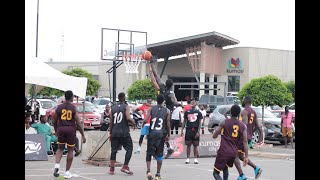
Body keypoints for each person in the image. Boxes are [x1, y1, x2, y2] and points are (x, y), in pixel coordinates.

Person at [52, 90, 86, 179]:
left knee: (60, 149)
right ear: (71, 97)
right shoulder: (73, 108)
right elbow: (78, 123)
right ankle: (67, 172)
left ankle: (57, 165)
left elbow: (54, 121)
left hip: (61, 129)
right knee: (70, 150)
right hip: (70, 130)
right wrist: (83, 135)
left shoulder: (59, 108)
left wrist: (56, 130)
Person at [149, 60, 179, 158]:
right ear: (172, 85)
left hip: (159, 111)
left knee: (157, 131)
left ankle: (160, 150)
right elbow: (175, 102)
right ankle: (168, 147)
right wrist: (179, 104)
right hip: (167, 113)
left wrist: (151, 66)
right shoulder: (171, 93)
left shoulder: (162, 87)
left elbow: (155, 78)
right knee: (164, 132)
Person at [212, 105, 249, 180]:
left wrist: (217, 133)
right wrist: (246, 156)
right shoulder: (242, 126)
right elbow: (245, 141)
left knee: (215, 173)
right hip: (233, 153)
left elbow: (214, 135)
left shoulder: (224, 122)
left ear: (231, 113)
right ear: (239, 114)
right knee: (225, 169)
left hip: (223, 151)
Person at [234, 96, 263, 180]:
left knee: (234, 155)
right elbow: (257, 126)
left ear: (245, 101)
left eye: (242, 99)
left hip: (242, 137)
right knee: (240, 156)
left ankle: (241, 175)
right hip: (248, 136)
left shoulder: (244, 112)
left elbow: (244, 125)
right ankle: (256, 168)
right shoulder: (254, 112)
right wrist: (251, 133)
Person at [143, 94, 171, 180]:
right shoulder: (167, 111)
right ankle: (158, 174)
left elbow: (145, 119)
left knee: (149, 152)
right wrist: (168, 134)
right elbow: (168, 124)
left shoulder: (151, 108)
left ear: (156, 100)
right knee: (159, 154)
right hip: (161, 134)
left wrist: (143, 125)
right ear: (163, 101)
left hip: (152, 133)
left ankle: (148, 171)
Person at [108, 92, 136, 175]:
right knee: (129, 149)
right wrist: (133, 123)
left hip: (115, 132)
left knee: (113, 150)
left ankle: (112, 169)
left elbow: (111, 122)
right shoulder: (126, 106)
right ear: (123, 98)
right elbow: (128, 117)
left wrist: (110, 133)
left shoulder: (113, 108)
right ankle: (125, 166)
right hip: (124, 132)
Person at [180, 100, 203, 164]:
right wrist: (182, 130)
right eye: (192, 102)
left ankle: (195, 158)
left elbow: (199, 123)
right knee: (188, 145)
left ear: (196, 104)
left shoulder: (198, 112)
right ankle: (188, 158)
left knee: (195, 145)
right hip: (188, 129)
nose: (193, 103)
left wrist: (198, 131)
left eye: (194, 102)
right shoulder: (187, 112)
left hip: (195, 129)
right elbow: (184, 121)